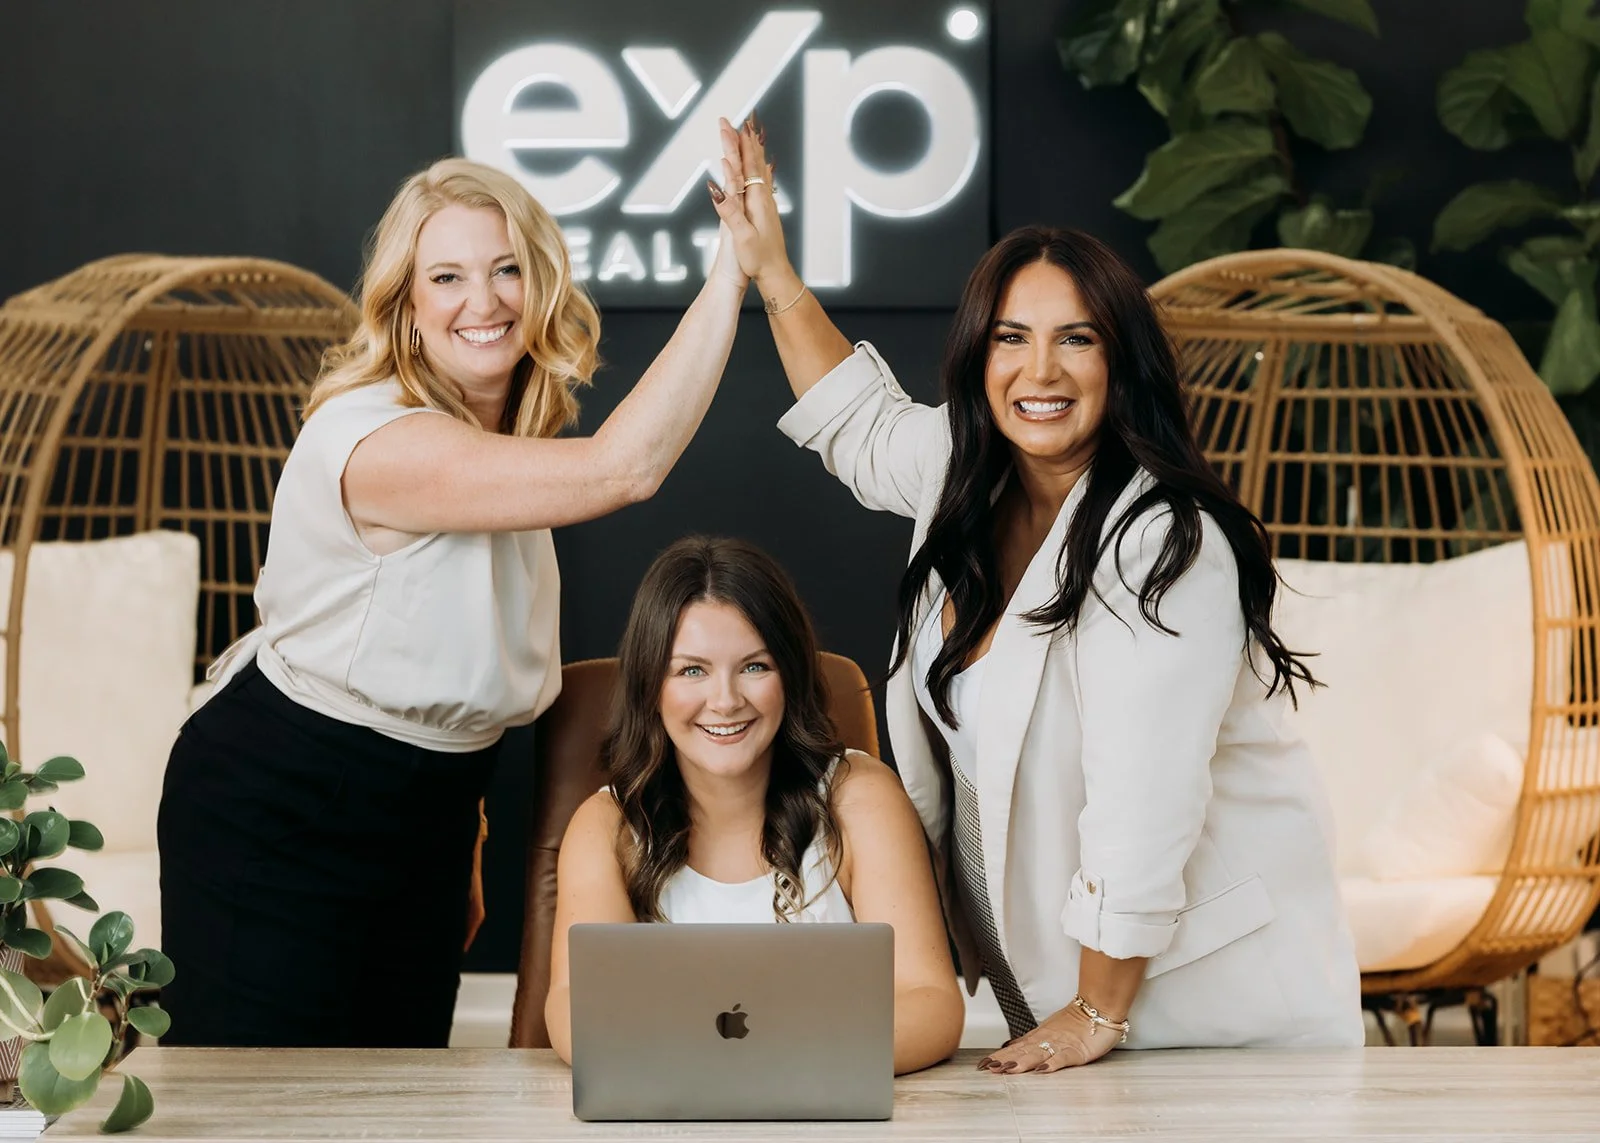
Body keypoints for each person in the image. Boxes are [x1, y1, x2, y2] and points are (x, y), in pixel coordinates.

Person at [712, 120, 1363, 1073]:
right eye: (1012, 338)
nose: (1040, 371)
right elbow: (854, 420)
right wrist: (770, 269)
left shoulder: (1166, 545)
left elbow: (1145, 800)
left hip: (1208, 1020)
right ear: (980, 354)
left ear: (1120, 362)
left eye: (1076, 340)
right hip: (1062, 1002)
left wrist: (1097, 1011)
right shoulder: (962, 474)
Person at [157, 135, 762, 1048]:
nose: (482, 302)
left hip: (426, 812)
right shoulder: (379, 442)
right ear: (404, 307)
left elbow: (447, 664)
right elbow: (624, 467)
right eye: (446, 278)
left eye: (506, 269)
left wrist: (459, 826)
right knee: (259, 1103)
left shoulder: (496, 452)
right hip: (283, 797)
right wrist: (733, 274)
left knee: (395, 1103)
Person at [545, 536, 965, 1075]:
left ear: (789, 674)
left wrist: (754, 1066)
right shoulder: (606, 828)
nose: (725, 700)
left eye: (754, 666)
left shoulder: (861, 798)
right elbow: (576, 1010)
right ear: (652, 686)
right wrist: (735, 1070)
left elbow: (930, 1005)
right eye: (691, 670)